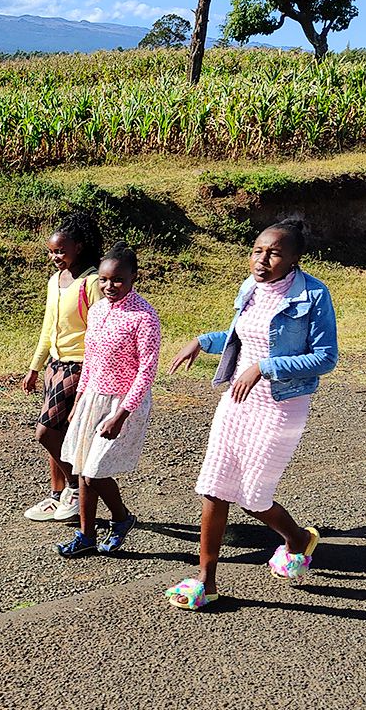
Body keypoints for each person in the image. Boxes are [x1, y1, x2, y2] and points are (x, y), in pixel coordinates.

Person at [165, 219, 338, 610]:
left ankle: (297, 540)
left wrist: (264, 367)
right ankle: (205, 581)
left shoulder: (313, 295)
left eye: (274, 252)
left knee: (254, 496)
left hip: (282, 404)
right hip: (238, 401)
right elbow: (240, 337)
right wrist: (201, 341)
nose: (263, 259)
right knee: (215, 486)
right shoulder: (250, 289)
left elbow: (326, 358)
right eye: (258, 250)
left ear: (294, 258)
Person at [55, 242, 161, 558]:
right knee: (81, 465)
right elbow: (91, 359)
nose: (108, 286)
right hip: (92, 398)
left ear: (133, 278)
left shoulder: (145, 317)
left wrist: (122, 414)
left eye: (117, 280)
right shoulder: (99, 309)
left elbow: (147, 371)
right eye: (103, 279)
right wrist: (78, 402)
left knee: (93, 471)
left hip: (123, 404)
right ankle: (86, 535)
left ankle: (121, 517)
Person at [22, 212, 103, 522]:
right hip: (55, 366)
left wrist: (92, 378)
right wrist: (35, 367)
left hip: (79, 367)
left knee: (46, 432)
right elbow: (48, 327)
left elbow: (99, 333)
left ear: (79, 247)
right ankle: (57, 497)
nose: (55, 257)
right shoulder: (56, 280)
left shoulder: (93, 282)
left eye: (60, 251)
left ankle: (73, 487)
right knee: (58, 432)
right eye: (52, 251)